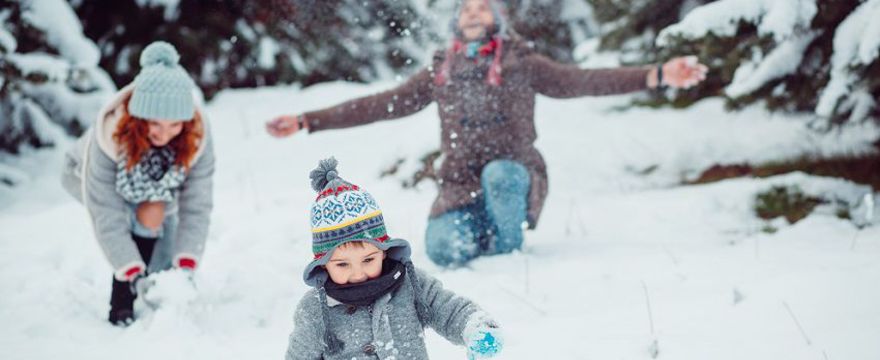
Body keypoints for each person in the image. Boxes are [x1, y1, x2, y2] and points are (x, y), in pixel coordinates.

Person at [267, 0, 707, 267]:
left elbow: (583, 81)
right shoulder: (442, 69)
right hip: (460, 184)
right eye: (466, 8)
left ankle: (507, 257)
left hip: (513, 174)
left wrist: (656, 75)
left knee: (501, 175)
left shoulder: (522, 63)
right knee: (443, 251)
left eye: (483, 7)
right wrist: (308, 120)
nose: (474, 12)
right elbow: (381, 104)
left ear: (497, 19)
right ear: (457, 22)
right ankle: (485, 233)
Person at [285, 158, 502, 360]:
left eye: (368, 260)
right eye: (342, 264)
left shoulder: (409, 284)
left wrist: (475, 328)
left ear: (384, 251)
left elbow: (448, 309)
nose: (358, 273)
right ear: (323, 264)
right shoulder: (315, 310)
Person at [62, 41, 215, 326]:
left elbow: (197, 203)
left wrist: (186, 260)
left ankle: (155, 278)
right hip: (82, 176)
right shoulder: (110, 134)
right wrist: (129, 268)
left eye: (174, 125)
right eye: (155, 124)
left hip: (153, 184)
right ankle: (121, 302)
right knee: (146, 217)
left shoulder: (196, 135)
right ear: (138, 118)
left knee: (163, 259)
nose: (164, 135)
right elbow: (106, 213)